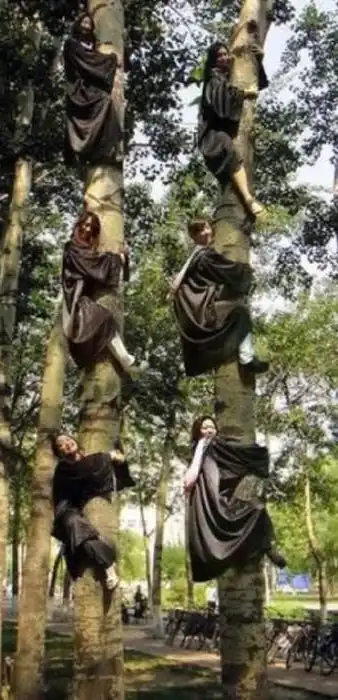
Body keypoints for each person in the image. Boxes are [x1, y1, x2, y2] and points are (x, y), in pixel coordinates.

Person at [184, 415, 286, 583]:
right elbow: (191, 478)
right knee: (250, 512)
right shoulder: (201, 449)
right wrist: (201, 446)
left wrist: (257, 455)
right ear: (197, 431)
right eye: (205, 427)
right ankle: (256, 550)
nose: (209, 430)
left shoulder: (219, 447)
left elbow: (233, 459)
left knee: (258, 510)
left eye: (212, 427)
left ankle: (266, 547)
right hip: (213, 505)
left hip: (227, 500)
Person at [171, 217, 269, 377]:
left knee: (237, 311)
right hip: (203, 313)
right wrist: (245, 270)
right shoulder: (205, 256)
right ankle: (247, 359)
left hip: (196, 316)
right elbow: (229, 271)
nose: (206, 232)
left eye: (207, 227)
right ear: (193, 236)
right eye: (200, 230)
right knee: (241, 312)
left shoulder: (196, 257)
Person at [51, 432, 135, 590]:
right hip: (66, 512)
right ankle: (109, 565)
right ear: (60, 453)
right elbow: (83, 468)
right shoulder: (64, 468)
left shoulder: (87, 465)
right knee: (76, 526)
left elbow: (106, 478)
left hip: (80, 515)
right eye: (61, 445)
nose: (66, 443)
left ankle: (107, 566)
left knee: (83, 536)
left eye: (68, 439)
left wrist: (121, 462)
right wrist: (108, 456)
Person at [62, 210, 137, 374]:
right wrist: (116, 258)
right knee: (103, 317)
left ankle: (125, 360)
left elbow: (93, 267)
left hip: (84, 297)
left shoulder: (86, 249)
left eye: (92, 227)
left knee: (103, 320)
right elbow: (90, 265)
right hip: (76, 300)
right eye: (85, 224)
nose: (88, 229)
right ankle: (126, 360)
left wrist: (122, 259)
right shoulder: (72, 248)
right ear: (79, 225)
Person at [197, 41, 267, 218]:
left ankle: (243, 200)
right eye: (219, 55)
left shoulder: (229, 76)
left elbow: (258, 84)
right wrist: (243, 93)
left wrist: (258, 60)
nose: (224, 58)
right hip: (213, 136)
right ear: (213, 60)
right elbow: (222, 105)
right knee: (228, 147)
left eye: (225, 54)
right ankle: (248, 198)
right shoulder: (213, 78)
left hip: (225, 134)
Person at [63, 13, 122, 164]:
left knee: (107, 104)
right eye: (84, 22)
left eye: (89, 24)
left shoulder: (92, 47)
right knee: (104, 101)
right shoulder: (71, 44)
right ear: (78, 24)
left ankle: (110, 148)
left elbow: (92, 59)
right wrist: (111, 59)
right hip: (79, 91)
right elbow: (87, 61)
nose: (86, 26)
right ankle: (87, 149)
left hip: (92, 90)